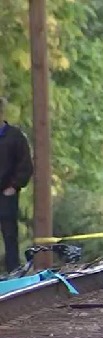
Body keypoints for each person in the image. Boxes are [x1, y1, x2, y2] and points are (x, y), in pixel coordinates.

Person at [0, 97, 33, 273]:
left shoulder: (15, 137)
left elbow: (25, 165)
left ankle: (13, 269)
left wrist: (14, 186)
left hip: (6, 193)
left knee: (9, 233)